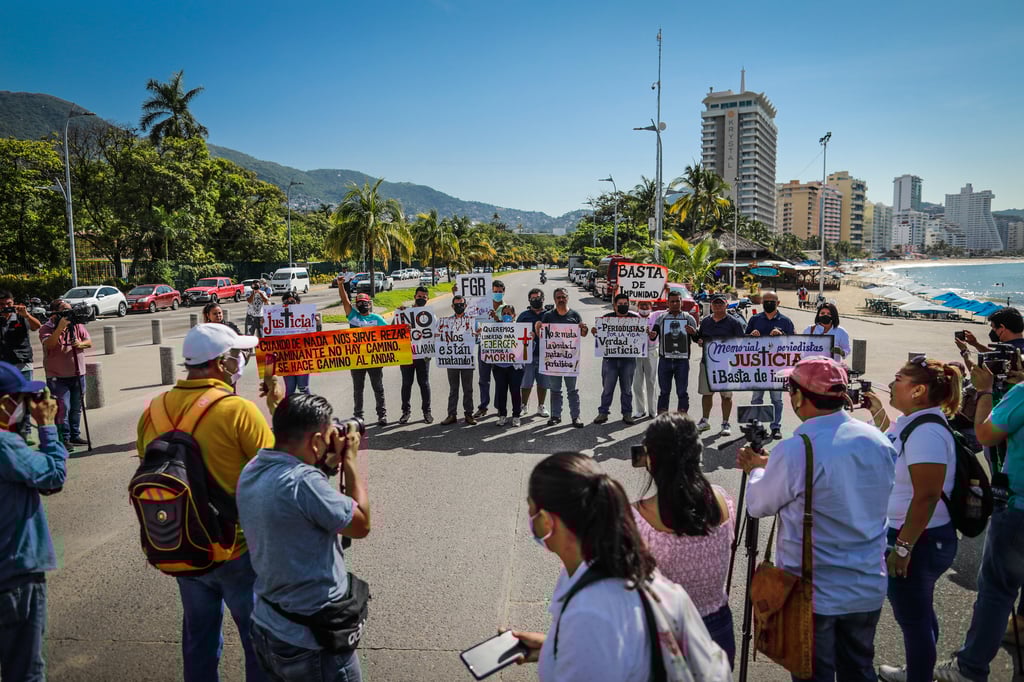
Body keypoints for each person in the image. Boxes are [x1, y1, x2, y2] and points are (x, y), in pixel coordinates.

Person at [136, 323, 284, 682]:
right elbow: (279, 472)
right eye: (239, 355)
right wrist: (277, 408)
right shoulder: (238, 410)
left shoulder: (154, 410)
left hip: (182, 544)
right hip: (238, 548)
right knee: (260, 642)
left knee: (198, 639)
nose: (243, 360)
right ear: (224, 363)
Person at [737, 356, 896, 681]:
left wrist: (755, 470)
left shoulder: (797, 449)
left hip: (813, 592)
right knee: (859, 670)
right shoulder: (877, 439)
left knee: (812, 674)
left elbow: (757, 504)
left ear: (799, 397)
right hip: (866, 583)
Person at [510, 452, 732, 681]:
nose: (530, 517)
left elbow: (600, 638)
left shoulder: (588, 614)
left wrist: (574, 642)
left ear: (547, 521)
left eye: (530, 508)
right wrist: (556, 647)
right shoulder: (632, 571)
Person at [238, 393, 370, 682]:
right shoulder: (304, 483)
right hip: (311, 641)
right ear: (314, 441)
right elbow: (360, 524)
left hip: (268, 624)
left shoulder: (253, 469)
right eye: (326, 435)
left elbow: (297, 503)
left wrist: (323, 465)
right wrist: (349, 461)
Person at [862, 357, 961, 682]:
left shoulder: (927, 432)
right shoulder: (914, 422)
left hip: (919, 539)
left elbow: (927, 495)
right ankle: (920, 671)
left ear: (918, 390)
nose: (890, 384)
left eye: (898, 378)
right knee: (919, 612)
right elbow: (893, 448)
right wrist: (877, 410)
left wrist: (903, 547)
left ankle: (919, 676)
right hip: (917, 536)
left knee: (913, 619)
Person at [935, 361, 1024, 682]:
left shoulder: (1022, 394)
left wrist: (986, 391)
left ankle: (970, 668)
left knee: (998, 592)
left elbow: (986, 434)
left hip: (1018, 509)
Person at [632, 413, 736, 666]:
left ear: (651, 459)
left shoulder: (636, 517)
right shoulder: (721, 501)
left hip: (662, 631)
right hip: (718, 626)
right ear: (698, 454)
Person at [0, 361, 66, 682]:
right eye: (21, 399)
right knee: (25, 671)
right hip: (14, 574)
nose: (27, 406)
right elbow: (53, 475)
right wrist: (48, 426)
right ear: (4, 403)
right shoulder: (5, 446)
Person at [39, 300, 91, 447]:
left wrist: (80, 344)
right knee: (63, 408)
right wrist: (60, 328)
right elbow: (50, 344)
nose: (68, 313)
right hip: (57, 376)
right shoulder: (46, 328)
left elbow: (88, 341)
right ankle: (64, 438)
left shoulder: (77, 325)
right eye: (64, 310)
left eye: (69, 310)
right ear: (54, 314)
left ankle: (75, 435)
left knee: (76, 407)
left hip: (78, 373)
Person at [336, 278, 388, 426]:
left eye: (364, 302)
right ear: (356, 305)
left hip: (374, 359)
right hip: (356, 359)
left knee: (378, 388)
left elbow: (391, 333)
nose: (362, 304)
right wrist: (340, 285)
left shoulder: (377, 318)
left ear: (369, 303)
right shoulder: (353, 316)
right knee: (358, 389)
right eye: (359, 303)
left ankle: (382, 415)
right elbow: (345, 300)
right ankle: (358, 416)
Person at [745, 290, 795, 439]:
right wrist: (751, 335)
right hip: (758, 365)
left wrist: (782, 335)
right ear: (761, 302)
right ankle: (757, 426)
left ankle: (775, 427)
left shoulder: (785, 321)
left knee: (776, 400)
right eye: (765, 301)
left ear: (778, 303)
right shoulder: (754, 319)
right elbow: (742, 341)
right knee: (756, 398)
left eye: (771, 301)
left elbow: (794, 343)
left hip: (777, 367)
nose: (768, 303)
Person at [538, 287, 589, 427]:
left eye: (563, 297)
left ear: (567, 298)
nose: (561, 299)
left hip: (570, 360)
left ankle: (575, 417)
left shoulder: (575, 315)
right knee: (555, 390)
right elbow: (542, 336)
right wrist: (538, 328)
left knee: (572, 390)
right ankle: (555, 416)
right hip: (554, 360)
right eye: (558, 297)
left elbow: (583, 334)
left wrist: (584, 329)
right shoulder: (548, 316)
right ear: (554, 299)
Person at [695, 293, 744, 436]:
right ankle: (704, 421)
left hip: (726, 365)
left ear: (726, 305)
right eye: (715, 304)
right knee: (706, 393)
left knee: (726, 396)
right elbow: (701, 339)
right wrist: (699, 341)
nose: (717, 306)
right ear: (711, 305)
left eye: (721, 303)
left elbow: (741, 344)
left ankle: (725, 423)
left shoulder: (734, 323)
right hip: (707, 363)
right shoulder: (705, 322)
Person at [591, 292, 641, 425]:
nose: (623, 306)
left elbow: (641, 338)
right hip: (610, 359)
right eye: (620, 304)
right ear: (614, 306)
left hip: (628, 359)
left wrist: (646, 332)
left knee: (627, 389)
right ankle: (603, 413)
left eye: (626, 304)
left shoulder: (635, 319)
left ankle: (627, 413)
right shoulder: (606, 318)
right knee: (607, 388)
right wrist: (595, 332)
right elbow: (599, 337)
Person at [0, 290, 42, 442]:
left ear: (14, 302)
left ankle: (26, 432)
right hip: (3, 366)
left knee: (24, 399)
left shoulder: (20, 315)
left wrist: (27, 315)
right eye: (2, 305)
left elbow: (37, 326)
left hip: (22, 363)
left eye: (8, 304)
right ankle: (9, 433)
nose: (5, 307)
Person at [650, 289, 697, 416]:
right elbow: (653, 336)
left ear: (681, 302)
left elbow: (697, 339)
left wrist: (693, 333)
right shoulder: (661, 318)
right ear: (667, 303)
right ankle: (662, 418)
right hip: (665, 360)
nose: (675, 304)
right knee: (664, 391)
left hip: (682, 361)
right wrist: (652, 334)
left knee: (682, 392)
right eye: (672, 301)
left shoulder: (689, 318)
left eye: (677, 301)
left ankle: (682, 417)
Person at [397, 286, 432, 424]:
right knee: (406, 384)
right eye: (419, 296)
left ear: (427, 299)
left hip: (423, 355)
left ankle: (427, 412)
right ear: (414, 297)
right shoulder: (404, 313)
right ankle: (405, 412)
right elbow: (394, 329)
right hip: (407, 354)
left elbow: (435, 333)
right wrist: (399, 315)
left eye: (424, 297)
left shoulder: (430, 315)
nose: (422, 299)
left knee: (424, 383)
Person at [440, 294, 476, 425]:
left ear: (465, 306)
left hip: (467, 359)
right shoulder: (446, 322)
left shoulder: (473, 321)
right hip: (452, 360)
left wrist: (477, 334)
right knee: (453, 388)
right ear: (452, 306)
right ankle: (451, 414)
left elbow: (477, 338)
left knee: (468, 388)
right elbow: (439, 337)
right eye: (457, 305)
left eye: (461, 304)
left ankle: (469, 414)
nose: (459, 307)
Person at [473, 279, 505, 419]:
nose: (497, 294)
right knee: (484, 379)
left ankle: (500, 407)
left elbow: (511, 326)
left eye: (500, 292)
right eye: (495, 291)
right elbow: (472, 319)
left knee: (500, 379)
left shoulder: (507, 307)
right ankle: (483, 406)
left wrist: (498, 319)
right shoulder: (482, 307)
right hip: (484, 345)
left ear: (504, 292)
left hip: (500, 347)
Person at [490, 304, 525, 426]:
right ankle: (502, 415)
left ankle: (516, 416)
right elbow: (486, 344)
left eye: (508, 314)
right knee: (501, 391)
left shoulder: (520, 329)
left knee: (515, 391)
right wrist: (480, 334)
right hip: (499, 366)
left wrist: (530, 339)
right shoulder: (495, 328)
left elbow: (528, 349)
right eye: (504, 313)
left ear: (514, 315)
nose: (506, 315)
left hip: (515, 367)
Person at [280, 292, 320, 397]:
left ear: (298, 302)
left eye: (293, 301)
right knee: (290, 389)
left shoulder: (306, 316)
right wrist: (264, 325)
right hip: (286, 358)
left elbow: (316, 336)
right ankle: (288, 412)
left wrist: (317, 324)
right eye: (287, 301)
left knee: (303, 388)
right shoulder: (277, 316)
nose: (290, 304)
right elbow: (269, 339)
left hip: (302, 357)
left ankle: (310, 411)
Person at [518, 288, 549, 418]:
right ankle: (523, 405)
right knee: (526, 383)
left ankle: (541, 406)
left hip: (545, 355)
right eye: (533, 298)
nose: (536, 300)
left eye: (538, 298)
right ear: (529, 300)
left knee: (543, 382)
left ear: (543, 299)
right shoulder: (523, 315)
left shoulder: (549, 315)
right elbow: (515, 333)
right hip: (527, 355)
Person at [631, 300, 659, 420]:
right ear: (637, 306)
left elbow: (670, 308)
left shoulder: (657, 315)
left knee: (651, 382)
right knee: (637, 382)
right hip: (636, 351)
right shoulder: (631, 316)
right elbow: (617, 308)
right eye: (641, 305)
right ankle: (640, 410)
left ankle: (653, 410)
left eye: (646, 305)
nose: (644, 307)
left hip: (651, 350)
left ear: (651, 306)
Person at [956, 306, 1024, 355]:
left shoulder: (1007, 351)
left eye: (993, 328)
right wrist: (976, 344)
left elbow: (978, 373)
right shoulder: (1013, 349)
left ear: (1002, 327)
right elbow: (993, 355)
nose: (993, 331)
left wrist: (964, 351)